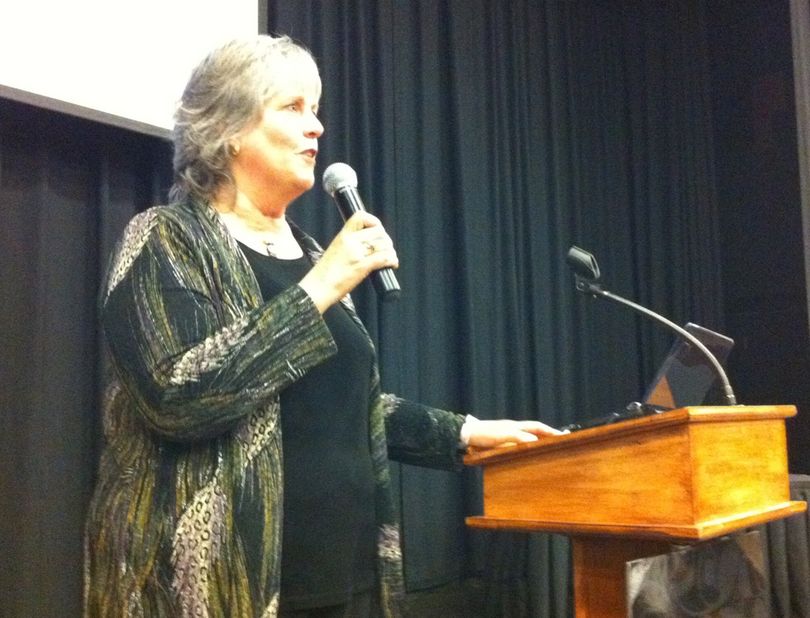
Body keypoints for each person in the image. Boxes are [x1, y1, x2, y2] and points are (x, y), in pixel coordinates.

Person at [83, 34, 561, 618]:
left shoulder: (311, 254)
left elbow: (346, 405)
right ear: (228, 130)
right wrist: (320, 289)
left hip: (346, 578)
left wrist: (464, 431)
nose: (317, 128)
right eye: (293, 108)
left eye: (316, 108)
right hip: (219, 590)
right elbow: (178, 396)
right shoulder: (166, 238)